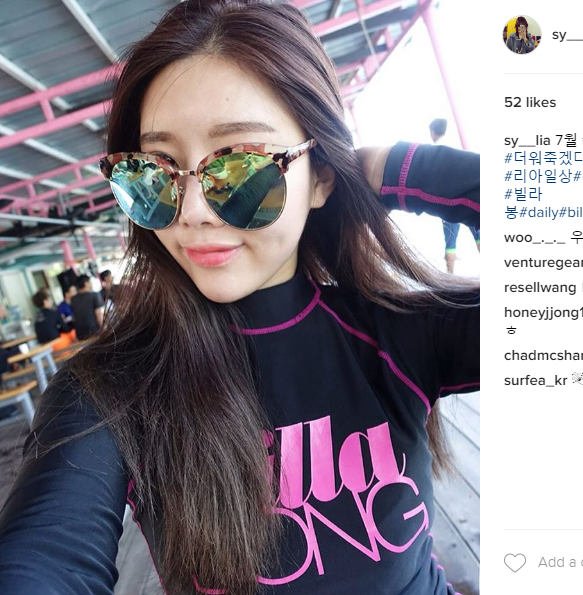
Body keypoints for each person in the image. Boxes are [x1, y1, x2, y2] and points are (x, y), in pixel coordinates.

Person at [0, 2, 479, 595]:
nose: (193, 212)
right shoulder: (112, 391)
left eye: (240, 169)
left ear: (321, 176)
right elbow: (42, 560)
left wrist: (395, 167)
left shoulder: (396, 334)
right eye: (156, 172)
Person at [430, 118, 480, 274]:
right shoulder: (457, 146)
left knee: (450, 242)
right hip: (467, 199)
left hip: (449, 203)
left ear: (432, 131)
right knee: (478, 235)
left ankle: (450, 275)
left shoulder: (436, 151)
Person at [69, 275, 104, 340]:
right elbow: (99, 314)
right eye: (90, 281)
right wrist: (104, 329)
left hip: (80, 334)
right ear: (86, 283)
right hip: (94, 331)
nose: (91, 283)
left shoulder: (73, 299)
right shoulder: (94, 295)